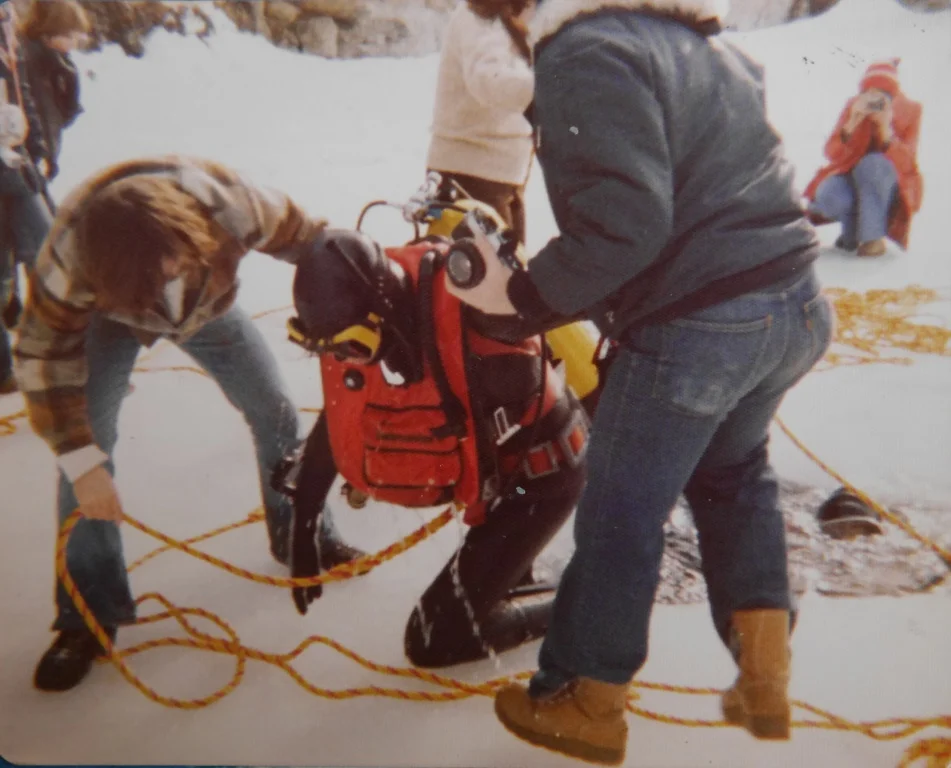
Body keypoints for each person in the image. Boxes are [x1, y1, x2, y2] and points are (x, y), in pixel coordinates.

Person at [447, 0, 835, 763]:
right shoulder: (702, 46)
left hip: (702, 325)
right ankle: (763, 672)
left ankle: (585, 698)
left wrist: (521, 301)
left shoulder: (584, 53)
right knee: (732, 475)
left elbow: (626, 223)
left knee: (622, 508)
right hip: (793, 305)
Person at [13, 156, 358, 692]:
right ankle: (85, 616)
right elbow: (41, 359)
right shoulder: (72, 259)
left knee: (275, 410)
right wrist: (83, 463)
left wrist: (347, 304)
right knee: (84, 460)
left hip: (208, 309)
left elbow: (315, 243)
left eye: (172, 261)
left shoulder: (229, 203)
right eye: (156, 277)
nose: (167, 277)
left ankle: (300, 536)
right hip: (108, 320)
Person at [283, 227, 588, 667]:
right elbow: (340, 414)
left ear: (383, 309)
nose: (351, 359)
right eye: (333, 350)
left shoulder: (480, 315)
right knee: (478, 592)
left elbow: (583, 289)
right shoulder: (369, 324)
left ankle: (587, 601)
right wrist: (304, 526)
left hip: (538, 481)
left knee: (435, 641)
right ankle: (515, 571)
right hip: (496, 473)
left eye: (357, 345)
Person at [424, 0, 534, 243]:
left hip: (505, 176)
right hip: (467, 173)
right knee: (470, 275)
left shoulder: (517, 12)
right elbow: (488, 80)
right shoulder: (478, 14)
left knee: (510, 273)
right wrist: (547, 86)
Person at [804, 59, 923, 257]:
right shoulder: (854, 106)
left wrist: (886, 131)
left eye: (882, 95)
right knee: (829, 195)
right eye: (870, 92)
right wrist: (851, 124)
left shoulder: (911, 110)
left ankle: (872, 239)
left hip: (891, 182)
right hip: (852, 176)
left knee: (871, 165)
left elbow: (907, 162)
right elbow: (831, 153)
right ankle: (851, 233)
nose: (874, 101)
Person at [0, 0, 51, 395]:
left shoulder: (7, 24)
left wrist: (38, 145)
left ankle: (60, 362)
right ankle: (2, 374)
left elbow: (22, 90)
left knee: (50, 260)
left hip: (16, 168)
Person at [18, 0, 91, 182]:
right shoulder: (26, 60)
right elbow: (32, 112)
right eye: (70, 36)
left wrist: (71, 81)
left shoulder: (56, 63)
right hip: (25, 164)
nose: (73, 44)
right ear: (50, 32)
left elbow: (64, 116)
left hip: (42, 163)